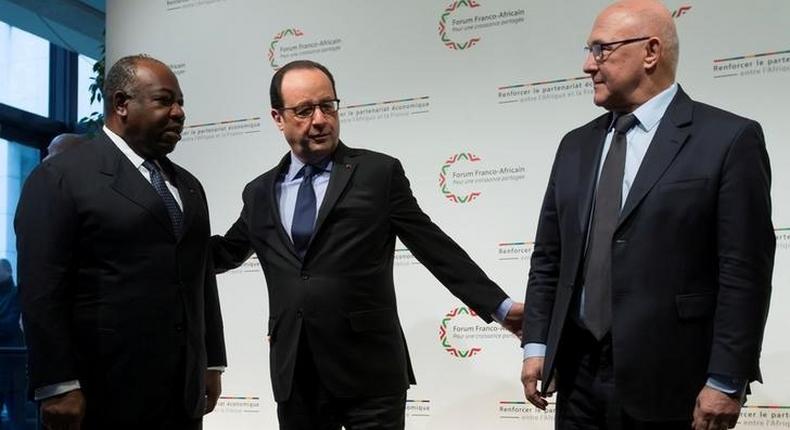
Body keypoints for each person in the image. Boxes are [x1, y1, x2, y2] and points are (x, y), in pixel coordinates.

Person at [212, 59, 524, 429]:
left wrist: (500, 307)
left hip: (370, 373)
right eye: (304, 110)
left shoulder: (378, 174)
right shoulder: (259, 192)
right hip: (296, 374)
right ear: (278, 117)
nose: (320, 119)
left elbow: (434, 247)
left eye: (328, 105)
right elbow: (225, 253)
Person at [520, 1, 774, 429]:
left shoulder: (729, 139)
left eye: (601, 49)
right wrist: (536, 345)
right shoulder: (574, 146)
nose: (587, 65)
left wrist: (727, 379)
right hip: (575, 374)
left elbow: (743, 271)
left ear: (651, 52)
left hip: (676, 382)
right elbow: (549, 257)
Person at [14, 55, 227, 430]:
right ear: (121, 104)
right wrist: (56, 384)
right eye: (165, 100)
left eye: (181, 103)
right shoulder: (61, 177)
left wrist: (210, 362)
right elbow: (41, 290)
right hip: (101, 394)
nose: (179, 113)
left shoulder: (188, 186)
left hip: (182, 394)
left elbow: (199, 278)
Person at [0, 259, 25, 430]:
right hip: (7, 360)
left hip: (11, 364)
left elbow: (10, 325)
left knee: (17, 417)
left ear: (8, 271)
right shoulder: (14, 295)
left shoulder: (16, 294)